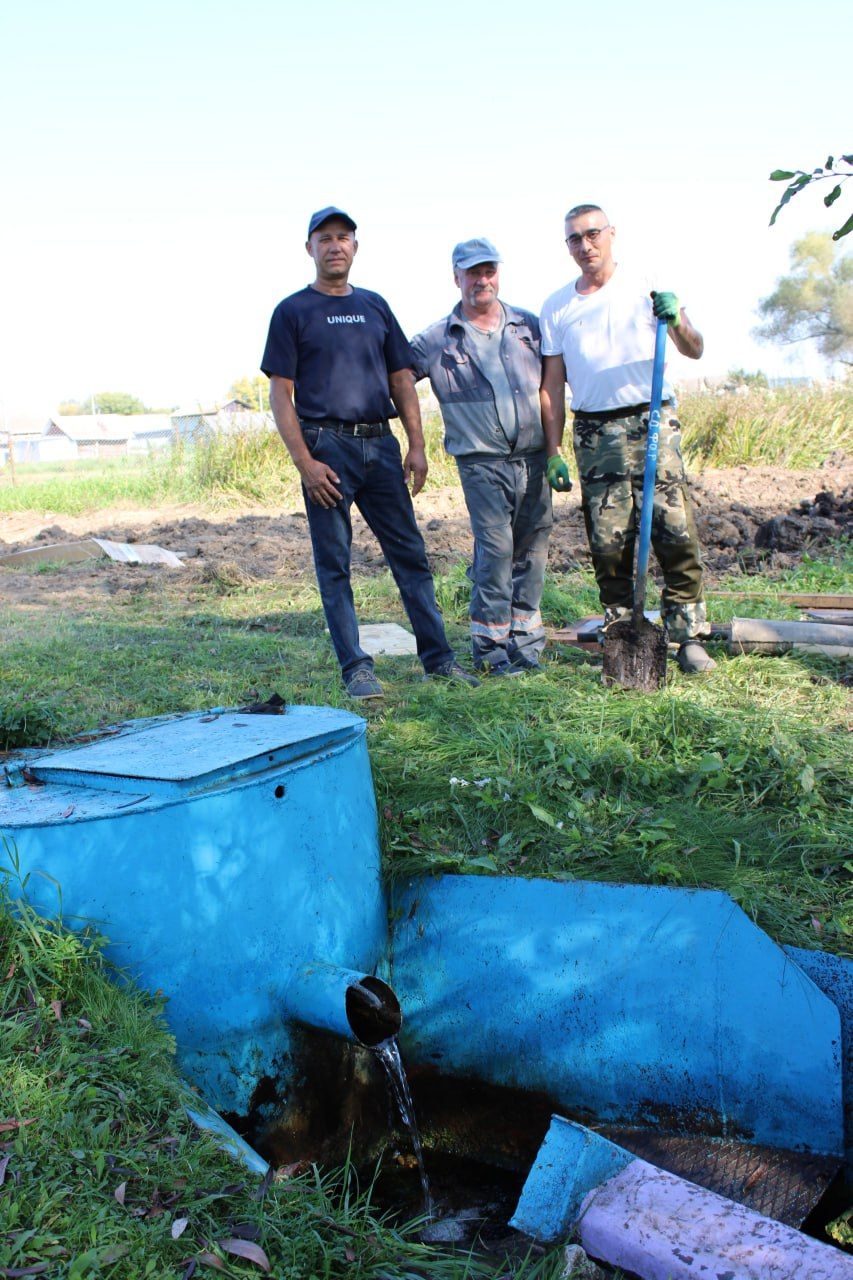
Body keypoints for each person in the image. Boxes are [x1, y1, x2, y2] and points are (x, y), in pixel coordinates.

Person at [261, 206, 479, 699]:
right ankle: (357, 669)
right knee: (335, 564)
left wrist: (417, 444)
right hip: (327, 449)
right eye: (325, 238)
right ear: (310, 248)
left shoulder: (376, 306)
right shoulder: (292, 311)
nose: (335, 245)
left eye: (344, 237)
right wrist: (305, 462)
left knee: (411, 556)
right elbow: (281, 393)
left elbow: (402, 378)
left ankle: (439, 659)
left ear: (355, 247)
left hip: (381, 446)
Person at [539, 203, 716, 674]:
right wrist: (552, 451)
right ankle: (621, 630)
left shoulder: (647, 285)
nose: (585, 245)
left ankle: (688, 636)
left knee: (674, 530)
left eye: (593, 234)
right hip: (595, 430)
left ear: (612, 234)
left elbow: (694, 348)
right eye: (574, 239)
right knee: (609, 541)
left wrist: (676, 319)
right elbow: (552, 385)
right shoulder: (558, 306)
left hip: (651, 417)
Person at [410, 238, 553, 676]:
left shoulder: (528, 326)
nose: (482, 280)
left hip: (534, 458)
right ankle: (491, 647)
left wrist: (558, 448)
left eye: (488, 271)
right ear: (457, 278)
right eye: (472, 273)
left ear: (498, 274)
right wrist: (413, 442)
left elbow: (558, 377)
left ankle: (526, 643)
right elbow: (395, 378)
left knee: (534, 548)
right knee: (496, 551)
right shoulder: (437, 340)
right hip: (481, 463)